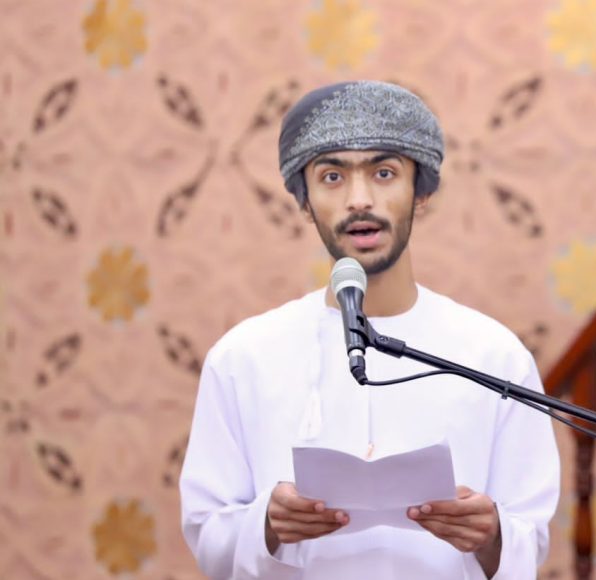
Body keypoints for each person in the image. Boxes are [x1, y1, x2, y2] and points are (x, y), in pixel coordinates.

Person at [179, 80, 561, 579]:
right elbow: (207, 538)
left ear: (420, 193)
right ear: (305, 202)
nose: (359, 200)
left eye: (384, 173)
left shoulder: (494, 356)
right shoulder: (242, 358)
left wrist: (492, 536)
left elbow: (529, 539)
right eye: (332, 176)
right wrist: (266, 524)